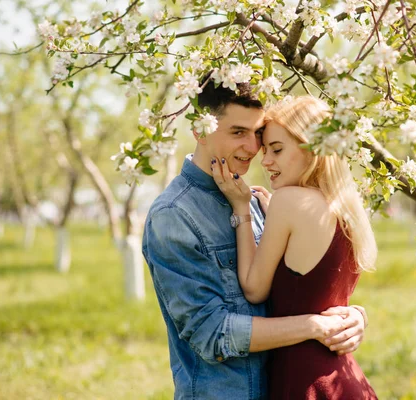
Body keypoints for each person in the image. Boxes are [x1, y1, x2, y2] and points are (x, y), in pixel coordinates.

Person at [142, 80, 368, 400]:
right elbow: (211, 333)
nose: (253, 149)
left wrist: (353, 317)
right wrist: (314, 326)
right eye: (238, 132)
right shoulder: (173, 215)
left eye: (257, 134)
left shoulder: (256, 201)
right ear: (200, 129)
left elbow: (295, 289)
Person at [210, 96, 378, 399]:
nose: (266, 161)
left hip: (304, 378)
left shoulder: (289, 202)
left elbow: (253, 288)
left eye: (277, 149)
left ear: (312, 150)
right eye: (266, 151)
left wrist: (242, 209)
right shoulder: (346, 209)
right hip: (346, 378)